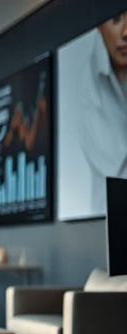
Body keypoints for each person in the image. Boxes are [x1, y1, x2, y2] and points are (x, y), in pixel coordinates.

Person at [60, 11, 127, 219]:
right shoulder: (85, 85)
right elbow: (116, 163)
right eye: (116, 21)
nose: (126, 32)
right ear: (100, 28)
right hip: (112, 222)